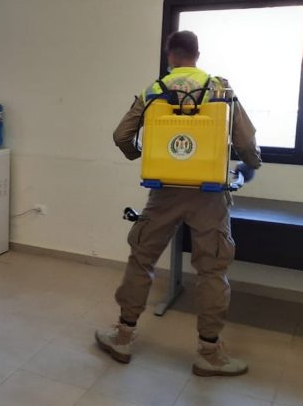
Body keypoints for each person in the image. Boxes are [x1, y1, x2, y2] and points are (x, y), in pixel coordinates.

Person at [96, 30, 262, 377]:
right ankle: (209, 353)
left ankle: (123, 337)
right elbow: (246, 142)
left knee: (142, 259)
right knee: (212, 269)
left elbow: (121, 136)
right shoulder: (220, 89)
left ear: (170, 55)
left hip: (164, 190)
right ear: (197, 54)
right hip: (209, 193)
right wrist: (251, 165)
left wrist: (140, 154)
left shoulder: (154, 90)